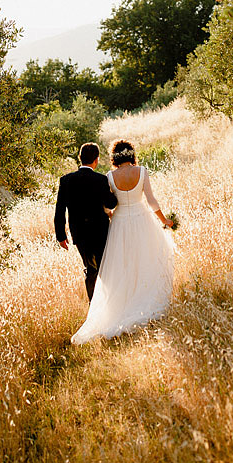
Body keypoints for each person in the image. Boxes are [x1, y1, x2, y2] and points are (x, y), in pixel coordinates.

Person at [71, 139, 176, 344]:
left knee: (123, 264)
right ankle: (144, 298)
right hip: (142, 219)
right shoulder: (142, 172)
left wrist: (110, 213)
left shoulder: (109, 177)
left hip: (120, 222)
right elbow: (151, 200)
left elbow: (106, 204)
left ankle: (125, 303)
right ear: (131, 154)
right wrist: (165, 220)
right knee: (147, 260)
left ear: (114, 157)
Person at [54, 142, 119, 301]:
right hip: (101, 231)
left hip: (79, 233)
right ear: (96, 160)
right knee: (105, 268)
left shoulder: (66, 180)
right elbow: (111, 203)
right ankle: (109, 302)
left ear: (80, 158)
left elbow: (60, 210)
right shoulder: (101, 180)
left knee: (90, 269)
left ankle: (93, 304)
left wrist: (61, 236)